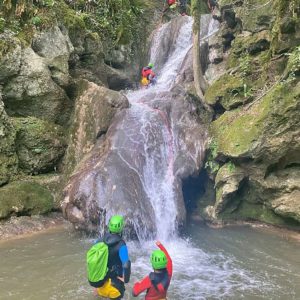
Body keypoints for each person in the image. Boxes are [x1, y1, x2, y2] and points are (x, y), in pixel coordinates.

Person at [94, 215, 131, 299]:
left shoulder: (99, 241)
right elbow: (126, 265)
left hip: (100, 285)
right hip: (115, 287)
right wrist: (126, 280)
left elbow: (93, 259)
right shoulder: (121, 245)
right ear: (121, 228)